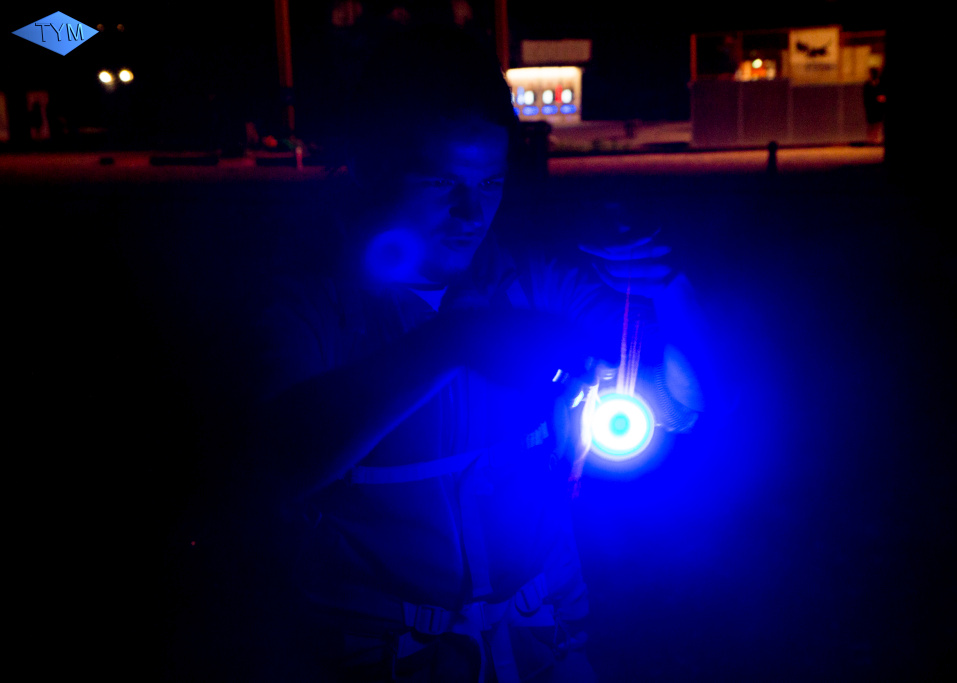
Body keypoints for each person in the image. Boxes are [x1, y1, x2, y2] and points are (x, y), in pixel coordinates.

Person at [216, 24, 709, 683]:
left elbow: (681, 407)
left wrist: (674, 296)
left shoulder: (530, 281)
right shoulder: (308, 304)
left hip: (544, 650)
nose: (472, 212)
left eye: (491, 182)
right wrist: (452, 343)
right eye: (441, 181)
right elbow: (274, 464)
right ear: (368, 167)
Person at [863, 67, 886, 144]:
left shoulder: (880, 84)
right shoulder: (867, 84)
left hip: (878, 107)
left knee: (878, 124)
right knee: (872, 124)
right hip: (871, 106)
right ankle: (871, 139)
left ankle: (876, 139)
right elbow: (866, 96)